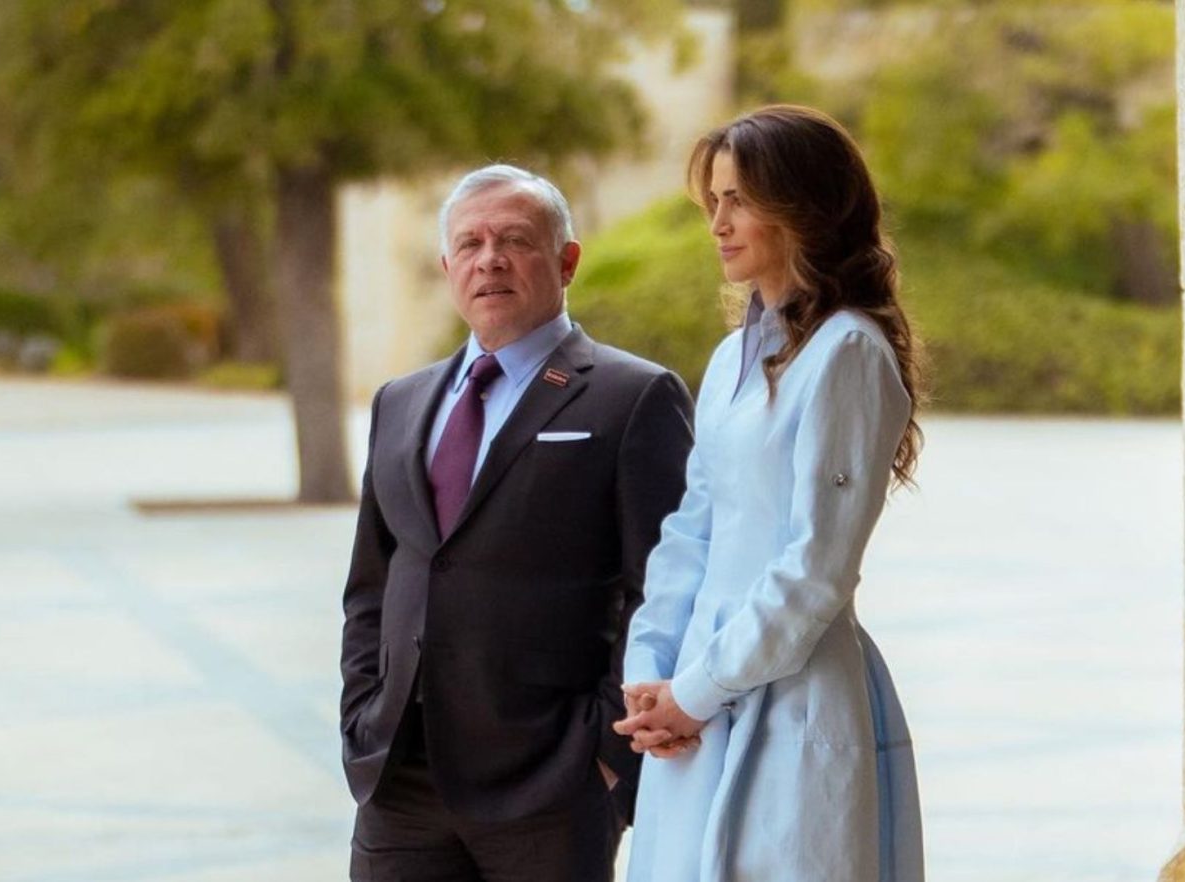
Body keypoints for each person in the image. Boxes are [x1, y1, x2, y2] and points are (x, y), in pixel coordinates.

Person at [338, 164, 695, 882]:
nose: (489, 258)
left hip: (550, 783)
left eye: (515, 240)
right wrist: (361, 715)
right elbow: (373, 586)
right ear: (447, 267)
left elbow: (661, 586)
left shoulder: (634, 396)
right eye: (468, 244)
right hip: (400, 779)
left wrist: (604, 757)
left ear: (567, 262)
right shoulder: (400, 403)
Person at [613, 105, 927, 881]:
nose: (718, 222)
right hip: (694, 700)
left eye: (739, 200)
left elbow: (817, 565)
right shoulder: (731, 359)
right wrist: (651, 672)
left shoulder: (849, 352)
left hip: (793, 693)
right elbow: (693, 526)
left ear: (804, 208)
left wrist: (698, 690)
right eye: (713, 201)